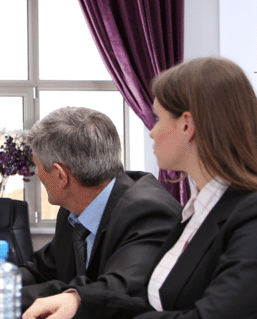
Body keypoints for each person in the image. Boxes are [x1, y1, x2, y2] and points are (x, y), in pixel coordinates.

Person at [24, 57, 257, 319]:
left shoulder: (249, 214)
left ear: (187, 125)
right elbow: (158, 303)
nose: (152, 131)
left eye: (158, 118)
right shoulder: (199, 210)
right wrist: (79, 301)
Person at [0, 107, 181, 319]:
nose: (36, 174)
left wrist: (0, 296)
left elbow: (117, 290)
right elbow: (43, 269)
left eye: (37, 166)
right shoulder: (74, 209)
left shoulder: (148, 211)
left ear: (60, 176)